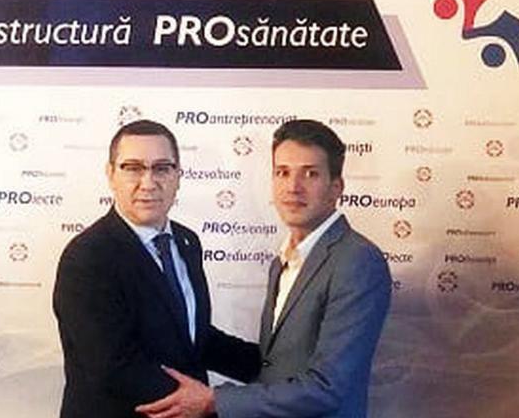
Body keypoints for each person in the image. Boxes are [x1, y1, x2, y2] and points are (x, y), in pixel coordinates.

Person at [136, 119, 392, 418]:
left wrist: (214, 400)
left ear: (336, 187)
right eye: (282, 172)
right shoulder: (282, 261)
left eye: (310, 173)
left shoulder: (357, 261)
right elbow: (275, 365)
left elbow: (327, 387)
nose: (293, 187)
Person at [52, 119, 260, 418]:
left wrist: (271, 368)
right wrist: (211, 403)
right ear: (111, 174)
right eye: (133, 168)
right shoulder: (87, 257)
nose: (148, 182)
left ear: (178, 176)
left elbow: (193, 338)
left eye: (162, 168)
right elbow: (114, 365)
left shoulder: (187, 242)